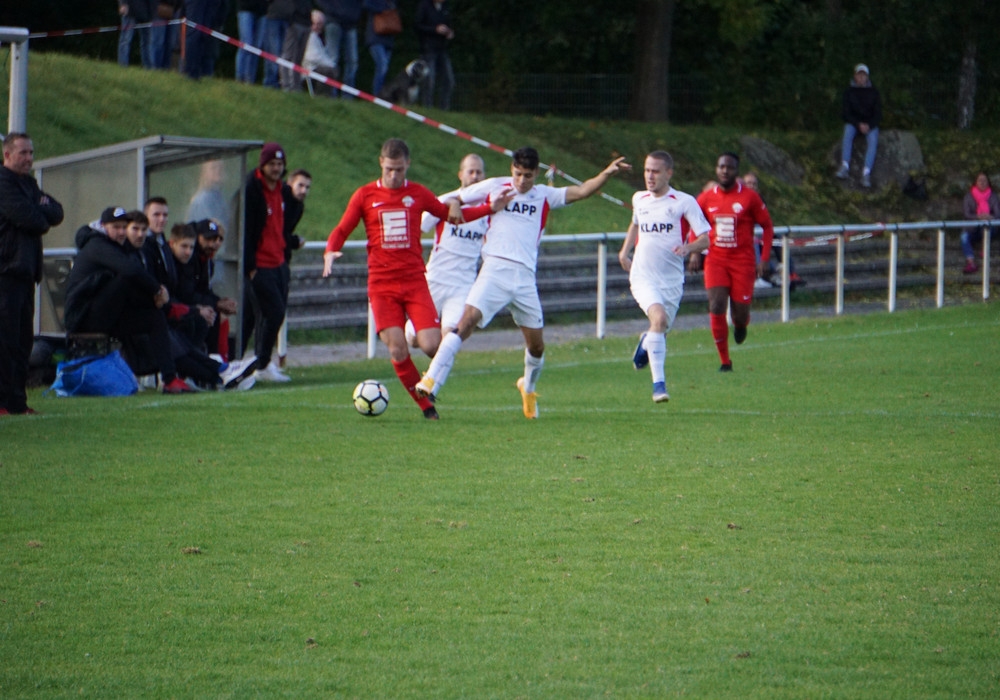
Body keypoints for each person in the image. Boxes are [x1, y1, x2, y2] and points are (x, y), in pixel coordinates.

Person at [415, 147, 631, 419]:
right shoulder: (495, 186)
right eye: (517, 174)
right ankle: (430, 379)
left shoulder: (544, 195)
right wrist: (456, 202)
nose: (521, 181)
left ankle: (527, 388)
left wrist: (606, 173)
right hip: (494, 271)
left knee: (537, 346)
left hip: (524, 279)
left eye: (527, 176)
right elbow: (455, 196)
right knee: (465, 322)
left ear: (536, 173)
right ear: (512, 169)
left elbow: (582, 191)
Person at [323, 138, 504, 420]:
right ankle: (426, 407)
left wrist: (489, 209)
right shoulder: (365, 195)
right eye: (389, 169)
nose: (394, 175)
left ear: (407, 164)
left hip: (415, 282)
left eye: (399, 169)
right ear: (381, 163)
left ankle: (415, 339)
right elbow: (343, 227)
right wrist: (331, 249)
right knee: (398, 349)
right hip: (382, 286)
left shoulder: (418, 194)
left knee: (432, 345)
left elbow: (451, 215)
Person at [64, 207, 194, 394]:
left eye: (123, 227)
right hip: (84, 318)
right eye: (116, 227)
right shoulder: (97, 245)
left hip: (107, 315)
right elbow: (130, 270)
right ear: (103, 226)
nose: (121, 232)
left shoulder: (117, 246)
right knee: (125, 278)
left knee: (155, 317)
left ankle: (170, 379)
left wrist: (155, 299)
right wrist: (157, 291)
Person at [618, 151, 710, 404]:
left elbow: (705, 239)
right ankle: (659, 385)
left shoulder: (683, 202)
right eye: (647, 170)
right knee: (658, 319)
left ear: (668, 173)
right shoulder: (639, 198)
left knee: (660, 329)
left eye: (656, 171)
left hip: (671, 280)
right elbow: (635, 224)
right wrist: (624, 251)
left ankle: (646, 342)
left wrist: (688, 248)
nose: (650, 176)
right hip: (643, 275)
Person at [0, 132, 64, 416]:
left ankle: (17, 402)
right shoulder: (3, 182)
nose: (29, 158)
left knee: (22, 340)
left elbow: (57, 212)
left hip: (26, 272)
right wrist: (39, 210)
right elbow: (31, 218)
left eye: (31, 153)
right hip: (5, 271)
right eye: (23, 153)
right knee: (5, 339)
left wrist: (38, 210)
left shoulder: (28, 184)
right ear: (7, 155)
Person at [694, 152, 774, 372]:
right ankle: (724, 361)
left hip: (743, 262)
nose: (725, 171)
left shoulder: (750, 198)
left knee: (739, 313)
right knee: (716, 305)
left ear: (736, 171)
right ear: (716, 169)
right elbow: (694, 222)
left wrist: (764, 258)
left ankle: (741, 323)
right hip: (716, 260)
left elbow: (767, 226)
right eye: (721, 166)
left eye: (729, 167)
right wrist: (695, 252)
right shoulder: (706, 198)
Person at [412, 153, 488, 360]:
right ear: (460, 174)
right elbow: (419, 227)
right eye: (470, 172)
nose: (475, 176)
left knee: (450, 337)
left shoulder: (489, 208)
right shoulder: (443, 202)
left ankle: (433, 377)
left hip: (462, 285)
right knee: (415, 338)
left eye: (479, 172)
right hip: (435, 280)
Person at [242, 143, 300, 382]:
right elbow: (246, 228)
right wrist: (250, 267)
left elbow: (285, 225)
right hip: (260, 264)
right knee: (272, 313)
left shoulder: (283, 190)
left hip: (279, 262)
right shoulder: (252, 188)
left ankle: (256, 363)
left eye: (280, 164)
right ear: (262, 165)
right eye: (272, 164)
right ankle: (261, 363)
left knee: (267, 314)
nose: (276, 168)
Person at [742, 171, 804, 291]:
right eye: (748, 183)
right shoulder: (739, 198)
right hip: (746, 235)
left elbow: (765, 221)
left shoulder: (760, 199)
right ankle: (762, 274)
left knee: (778, 237)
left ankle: (790, 272)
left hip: (759, 231)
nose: (751, 186)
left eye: (754, 184)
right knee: (755, 241)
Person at [836, 64, 881, 189]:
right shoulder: (849, 92)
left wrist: (869, 125)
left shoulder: (874, 92)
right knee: (847, 133)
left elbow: (878, 114)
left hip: (869, 124)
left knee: (873, 140)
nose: (861, 77)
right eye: (859, 75)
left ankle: (866, 173)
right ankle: (844, 166)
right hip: (854, 123)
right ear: (855, 76)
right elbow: (846, 113)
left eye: (863, 75)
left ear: (867, 77)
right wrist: (858, 124)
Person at [317, 0, 362, 98]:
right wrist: (333, 10)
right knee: (332, 59)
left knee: (352, 61)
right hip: (334, 20)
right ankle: (330, 93)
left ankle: (348, 96)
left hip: (351, 23)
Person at [415, 0, 455, 110]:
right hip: (428, 49)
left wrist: (449, 32)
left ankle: (444, 108)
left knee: (449, 80)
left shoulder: (445, 7)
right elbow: (417, 26)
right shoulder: (424, 5)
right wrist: (434, 30)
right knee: (429, 80)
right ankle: (427, 107)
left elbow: (448, 23)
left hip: (442, 48)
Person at [960, 171, 1000, 274]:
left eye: (984, 180)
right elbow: (967, 214)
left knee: (987, 228)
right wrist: (978, 217)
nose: (982, 182)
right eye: (980, 180)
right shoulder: (968, 196)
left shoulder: (993, 196)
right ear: (976, 182)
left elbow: (998, 214)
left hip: (988, 226)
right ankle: (971, 262)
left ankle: (984, 249)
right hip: (972, 227)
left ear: (988, 182)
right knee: (964, 237)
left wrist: (989, 217)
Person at [363, 0, 398, 97]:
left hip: (389, 38)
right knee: (382, 67)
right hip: (375, 37)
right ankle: (378, 95)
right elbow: (366, 4)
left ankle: (383, 95)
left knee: (384, 69)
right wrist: (383, 9)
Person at [278, 0, 314, 92]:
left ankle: (296, 86)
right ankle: (286, 84)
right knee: (288, 55)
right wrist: (291, 18)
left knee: (299, 58)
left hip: (306, 23)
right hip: (295, 22)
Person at [302, 10, 341, 95]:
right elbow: (312, 57)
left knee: (330, 70)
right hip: (307, 70)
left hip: (315, 68)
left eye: (319, 24)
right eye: (314, 23)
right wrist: (331, 65)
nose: (316, 27)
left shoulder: (318, 37)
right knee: (328, 71)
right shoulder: (310, 36)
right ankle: (321, 96)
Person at [236, 0, 269, 83]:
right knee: (246, 44)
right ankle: (240, 77)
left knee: (256, 47)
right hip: (245, 8)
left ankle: (250, 79)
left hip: (262, 11)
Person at [117, 0, 156, 69]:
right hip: (130, 10)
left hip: (146, 12)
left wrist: (152, 11)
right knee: (126, 40)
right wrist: (123, 4)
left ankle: (148, 67)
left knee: (147, 42)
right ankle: (123, 65)